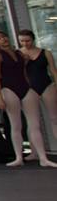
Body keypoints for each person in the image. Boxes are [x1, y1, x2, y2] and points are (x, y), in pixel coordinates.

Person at [0, 30, 57, 167]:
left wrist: (30, 87)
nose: (3, 39)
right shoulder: (2, 55)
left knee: (41, 122)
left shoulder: (22, 54)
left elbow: (28, 72)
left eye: (4, 36)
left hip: (32, 87)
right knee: (17, 124)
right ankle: (21, 156)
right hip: (12, 88)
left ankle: (42, 157)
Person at [18, 29, 57, 162]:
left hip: (46, 85)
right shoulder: (18, 54)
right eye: (22, 41)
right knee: (33, 122)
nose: (25, 43)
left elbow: (53, 70)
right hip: (29, 88)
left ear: (33, 39)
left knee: (54, 118)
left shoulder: (45, 53)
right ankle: (35, 152)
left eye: (27, 40)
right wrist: (24, 61)